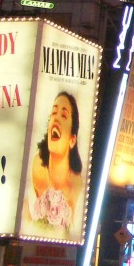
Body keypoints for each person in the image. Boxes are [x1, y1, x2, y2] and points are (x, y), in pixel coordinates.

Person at [25, 91, 84, 233]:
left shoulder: (77, 184)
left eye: (63, 116)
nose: (56, 119)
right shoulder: (35, 165)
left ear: (72, 140)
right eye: (53, 113)